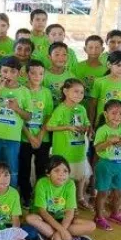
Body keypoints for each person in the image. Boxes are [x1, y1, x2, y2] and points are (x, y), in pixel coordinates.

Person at [25, 156, 96, 240]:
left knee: (91, 225)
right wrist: (62, 231)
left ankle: (50, 236)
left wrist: (60, 231)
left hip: (63, 220)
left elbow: (70, 212)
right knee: (30, 218)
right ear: (48, 173)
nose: (61, 174)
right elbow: (42, 211)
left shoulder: (70, 184)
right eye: (56, 170)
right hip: (45, 219)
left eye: (65, 171)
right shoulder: (42, 183)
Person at [0, 56, 31, 186]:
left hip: (13, 138)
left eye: (13, 72)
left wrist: (16, 108)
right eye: (5, 71)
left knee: (12, 169)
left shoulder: (25, 91)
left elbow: (28, 116)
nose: (8, 75)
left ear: (19, 73)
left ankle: (12, 198)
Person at [92, 100, 121, 231]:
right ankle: (98, 216)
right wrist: (108, 142)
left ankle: (115, 213)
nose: (117, 117)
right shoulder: (103, 130)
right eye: (113, 113)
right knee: (103, 192)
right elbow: (97, 148)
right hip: (106, 165)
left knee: (119, 192)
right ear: (106, 114)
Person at [46, 78, 91, 209]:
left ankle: (80, 197)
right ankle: (65, 202)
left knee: (81, 175)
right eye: (75, 91)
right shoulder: (61, 109)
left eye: (82, 92)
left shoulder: (82, 108)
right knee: (65, 177)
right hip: (64, 151)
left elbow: (86, 122)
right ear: (65, 91)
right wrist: (67, 127)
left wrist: (87, 128)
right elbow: (49, 126)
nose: (79, 95)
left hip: (79, 149)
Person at [18, 60, 53, 205]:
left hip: (42, 139)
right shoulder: (21, 91)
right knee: (24, 168)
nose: (37, 76)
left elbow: (48, 116)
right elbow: (19, 117)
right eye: (33, 73)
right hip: (24, 138)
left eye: (41, 73)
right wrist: (30, 136)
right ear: (26, 74)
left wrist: (39, 136)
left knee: (42, 168)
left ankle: (40, 197)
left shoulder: (46, 92)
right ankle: (26, 195)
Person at [88, 51, 121, 132]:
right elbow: (92, 106)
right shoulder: (99, 82)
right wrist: (91, 125)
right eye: (118, 65)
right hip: (102, 126)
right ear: (109, 65)